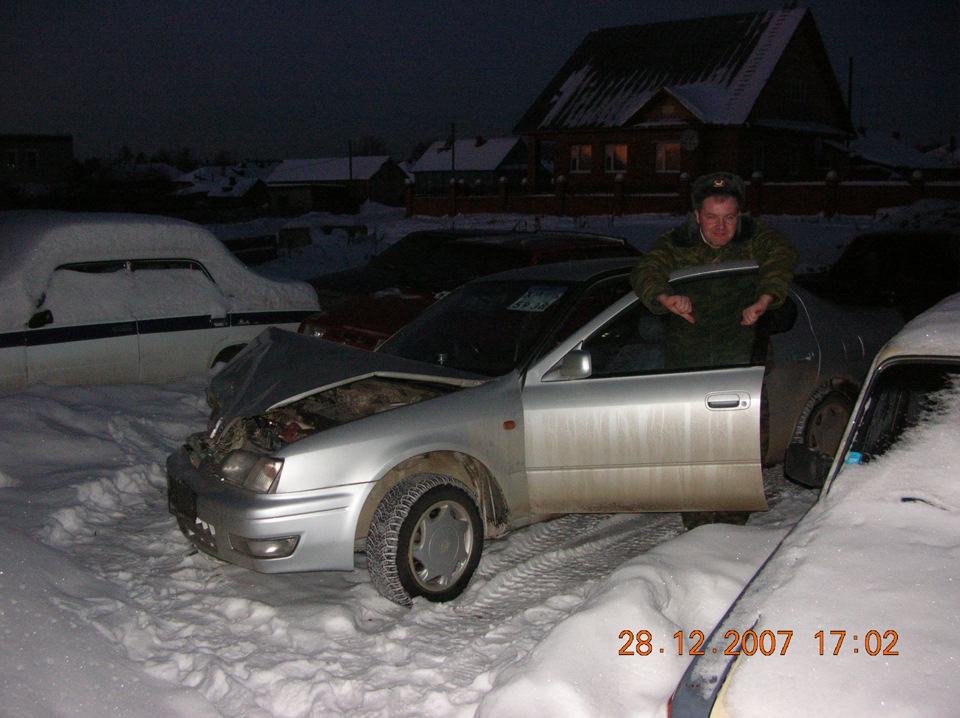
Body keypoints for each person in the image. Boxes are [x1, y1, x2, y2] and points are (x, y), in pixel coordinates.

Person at [630, 171, 798, 369]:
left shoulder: (754, 238)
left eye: (729, 217)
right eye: (712, 217)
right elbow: (645, 269)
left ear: (739, 216)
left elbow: (783, 254)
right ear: (697, 216)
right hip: (688, 368)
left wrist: (765, 298)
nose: (721, 226)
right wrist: (665, 297)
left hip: (744, 366)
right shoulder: (677, 243)